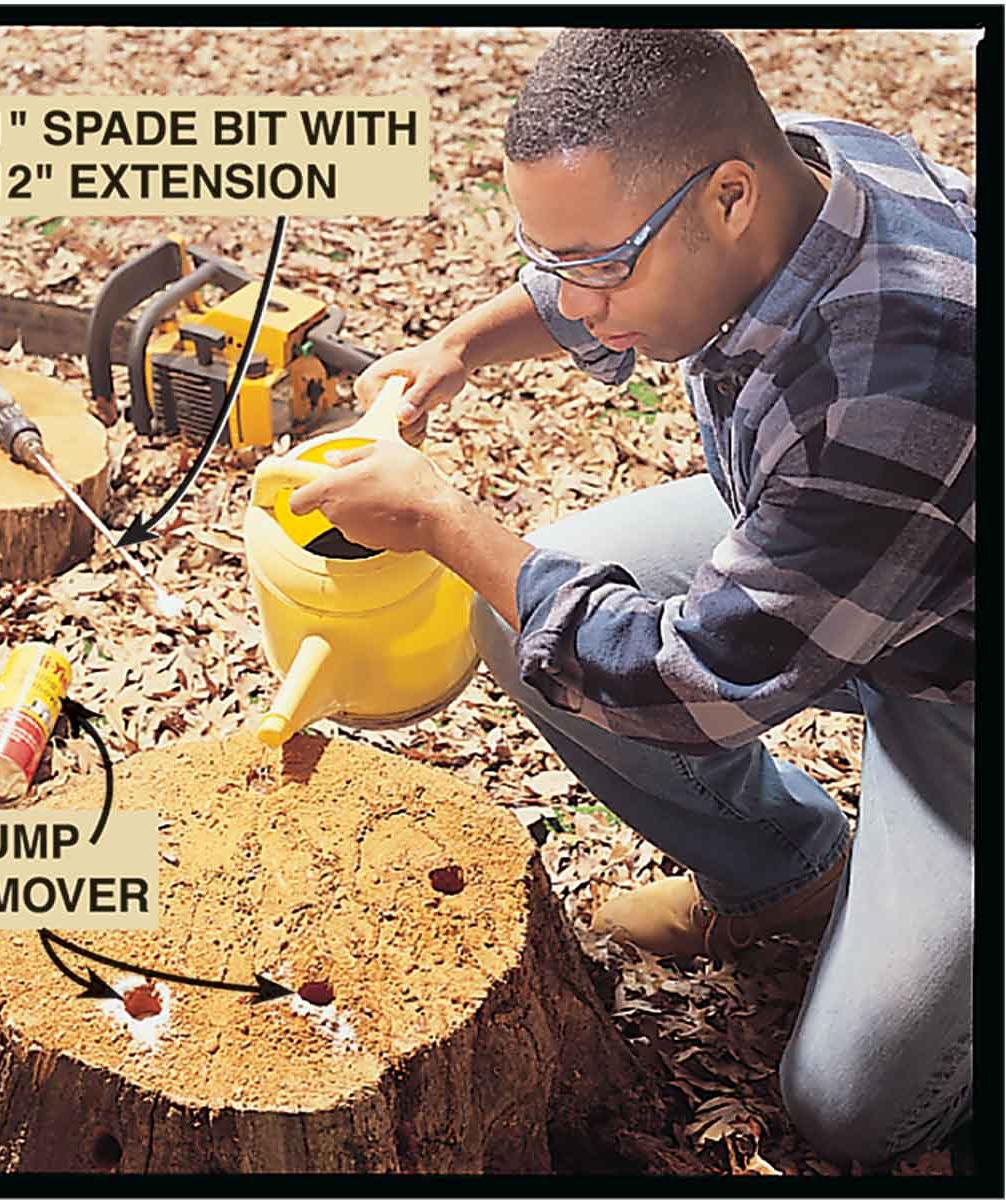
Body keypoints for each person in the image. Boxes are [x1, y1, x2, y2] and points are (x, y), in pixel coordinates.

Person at [285, 28, 975, 1170]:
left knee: (853, 1106)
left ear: (729, 199)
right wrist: (458, 346)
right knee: (529, 610)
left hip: (958, 680)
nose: (574, 297)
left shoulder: (900, 377)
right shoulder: (803, 177)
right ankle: (787, 878)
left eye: (602, 266)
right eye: (549, 256)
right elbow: (592, 268)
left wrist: (445, 521)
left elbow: (692, 687)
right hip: (846, 547)